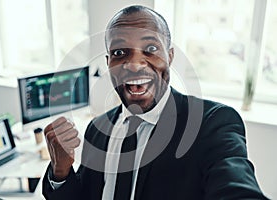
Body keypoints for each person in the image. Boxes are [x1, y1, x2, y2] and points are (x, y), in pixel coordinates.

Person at [42, 5, 268, 200]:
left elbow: (235, 186)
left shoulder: (212, 123)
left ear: (169, 56)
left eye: (150, 49)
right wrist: (60, 171)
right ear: (109, 62)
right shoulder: (97, 129)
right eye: (120, 52)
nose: (134, 64)